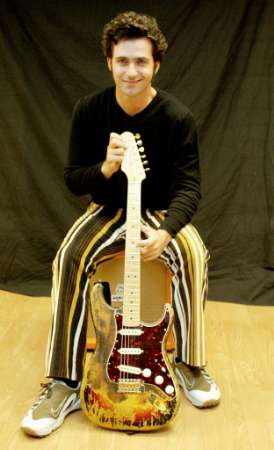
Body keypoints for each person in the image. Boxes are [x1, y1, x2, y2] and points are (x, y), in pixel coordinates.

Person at [21, 10, 221, 437]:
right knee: (68, 259)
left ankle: (189, 363)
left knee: (194, 255)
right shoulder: (89, 111)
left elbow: (190, 186)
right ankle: (64, 381)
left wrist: (167, 231)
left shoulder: (177, 116)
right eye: (123, 61)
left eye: (141, 62)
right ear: (109, 62)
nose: (132, 71)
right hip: (107, 209)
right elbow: (75, 179)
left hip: (160, 212)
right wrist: (107, 169)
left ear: (156, 65)